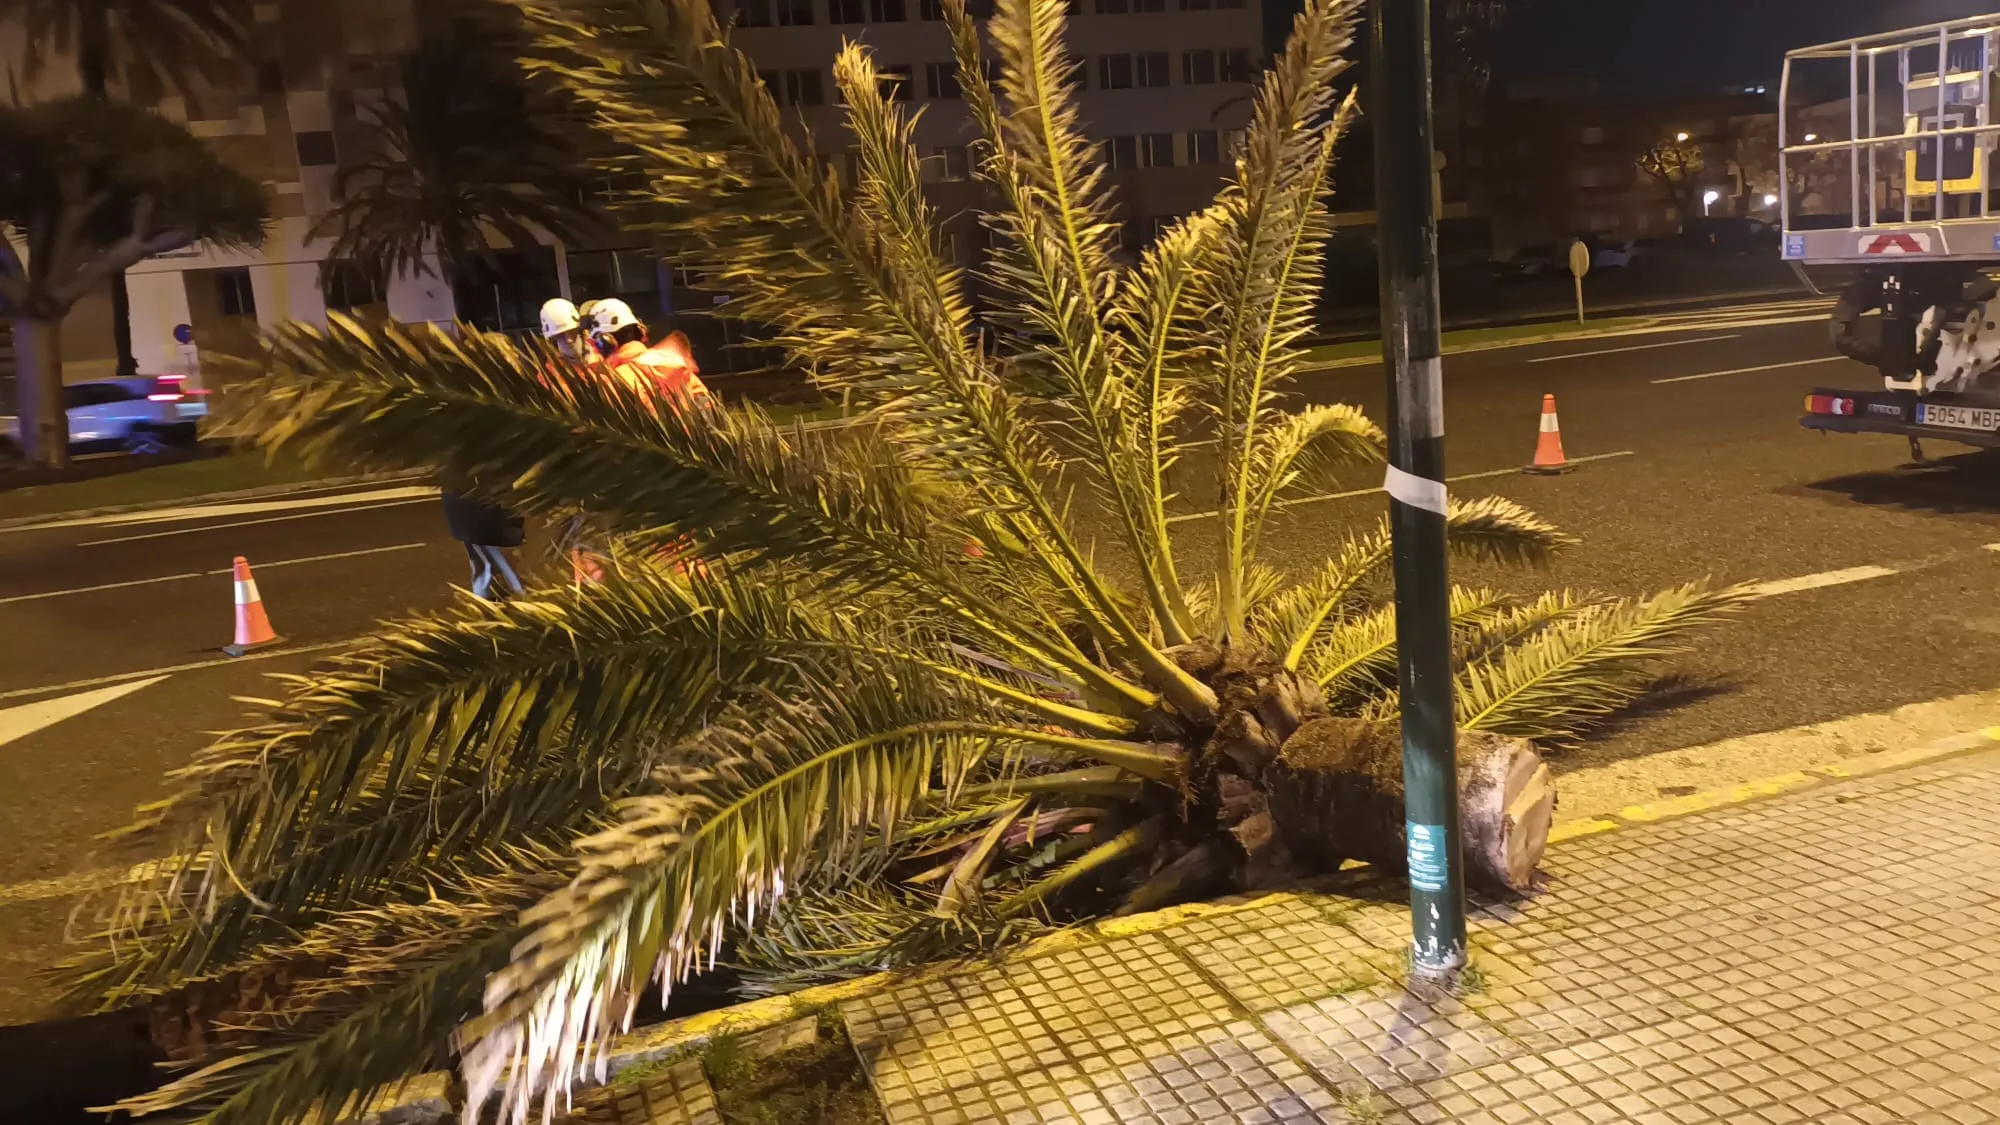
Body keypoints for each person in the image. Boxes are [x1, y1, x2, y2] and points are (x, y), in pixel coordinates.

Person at [587, 298, 711, 402]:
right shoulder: (671, 361)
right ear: (641, 332)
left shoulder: (615, 381)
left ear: (605, 342)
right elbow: (704, 403)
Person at [440, 489, 526, 601]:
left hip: (476, 514)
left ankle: (499, 600)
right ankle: (505, 599)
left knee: (488, 563)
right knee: (491, 564)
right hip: (480, 515)